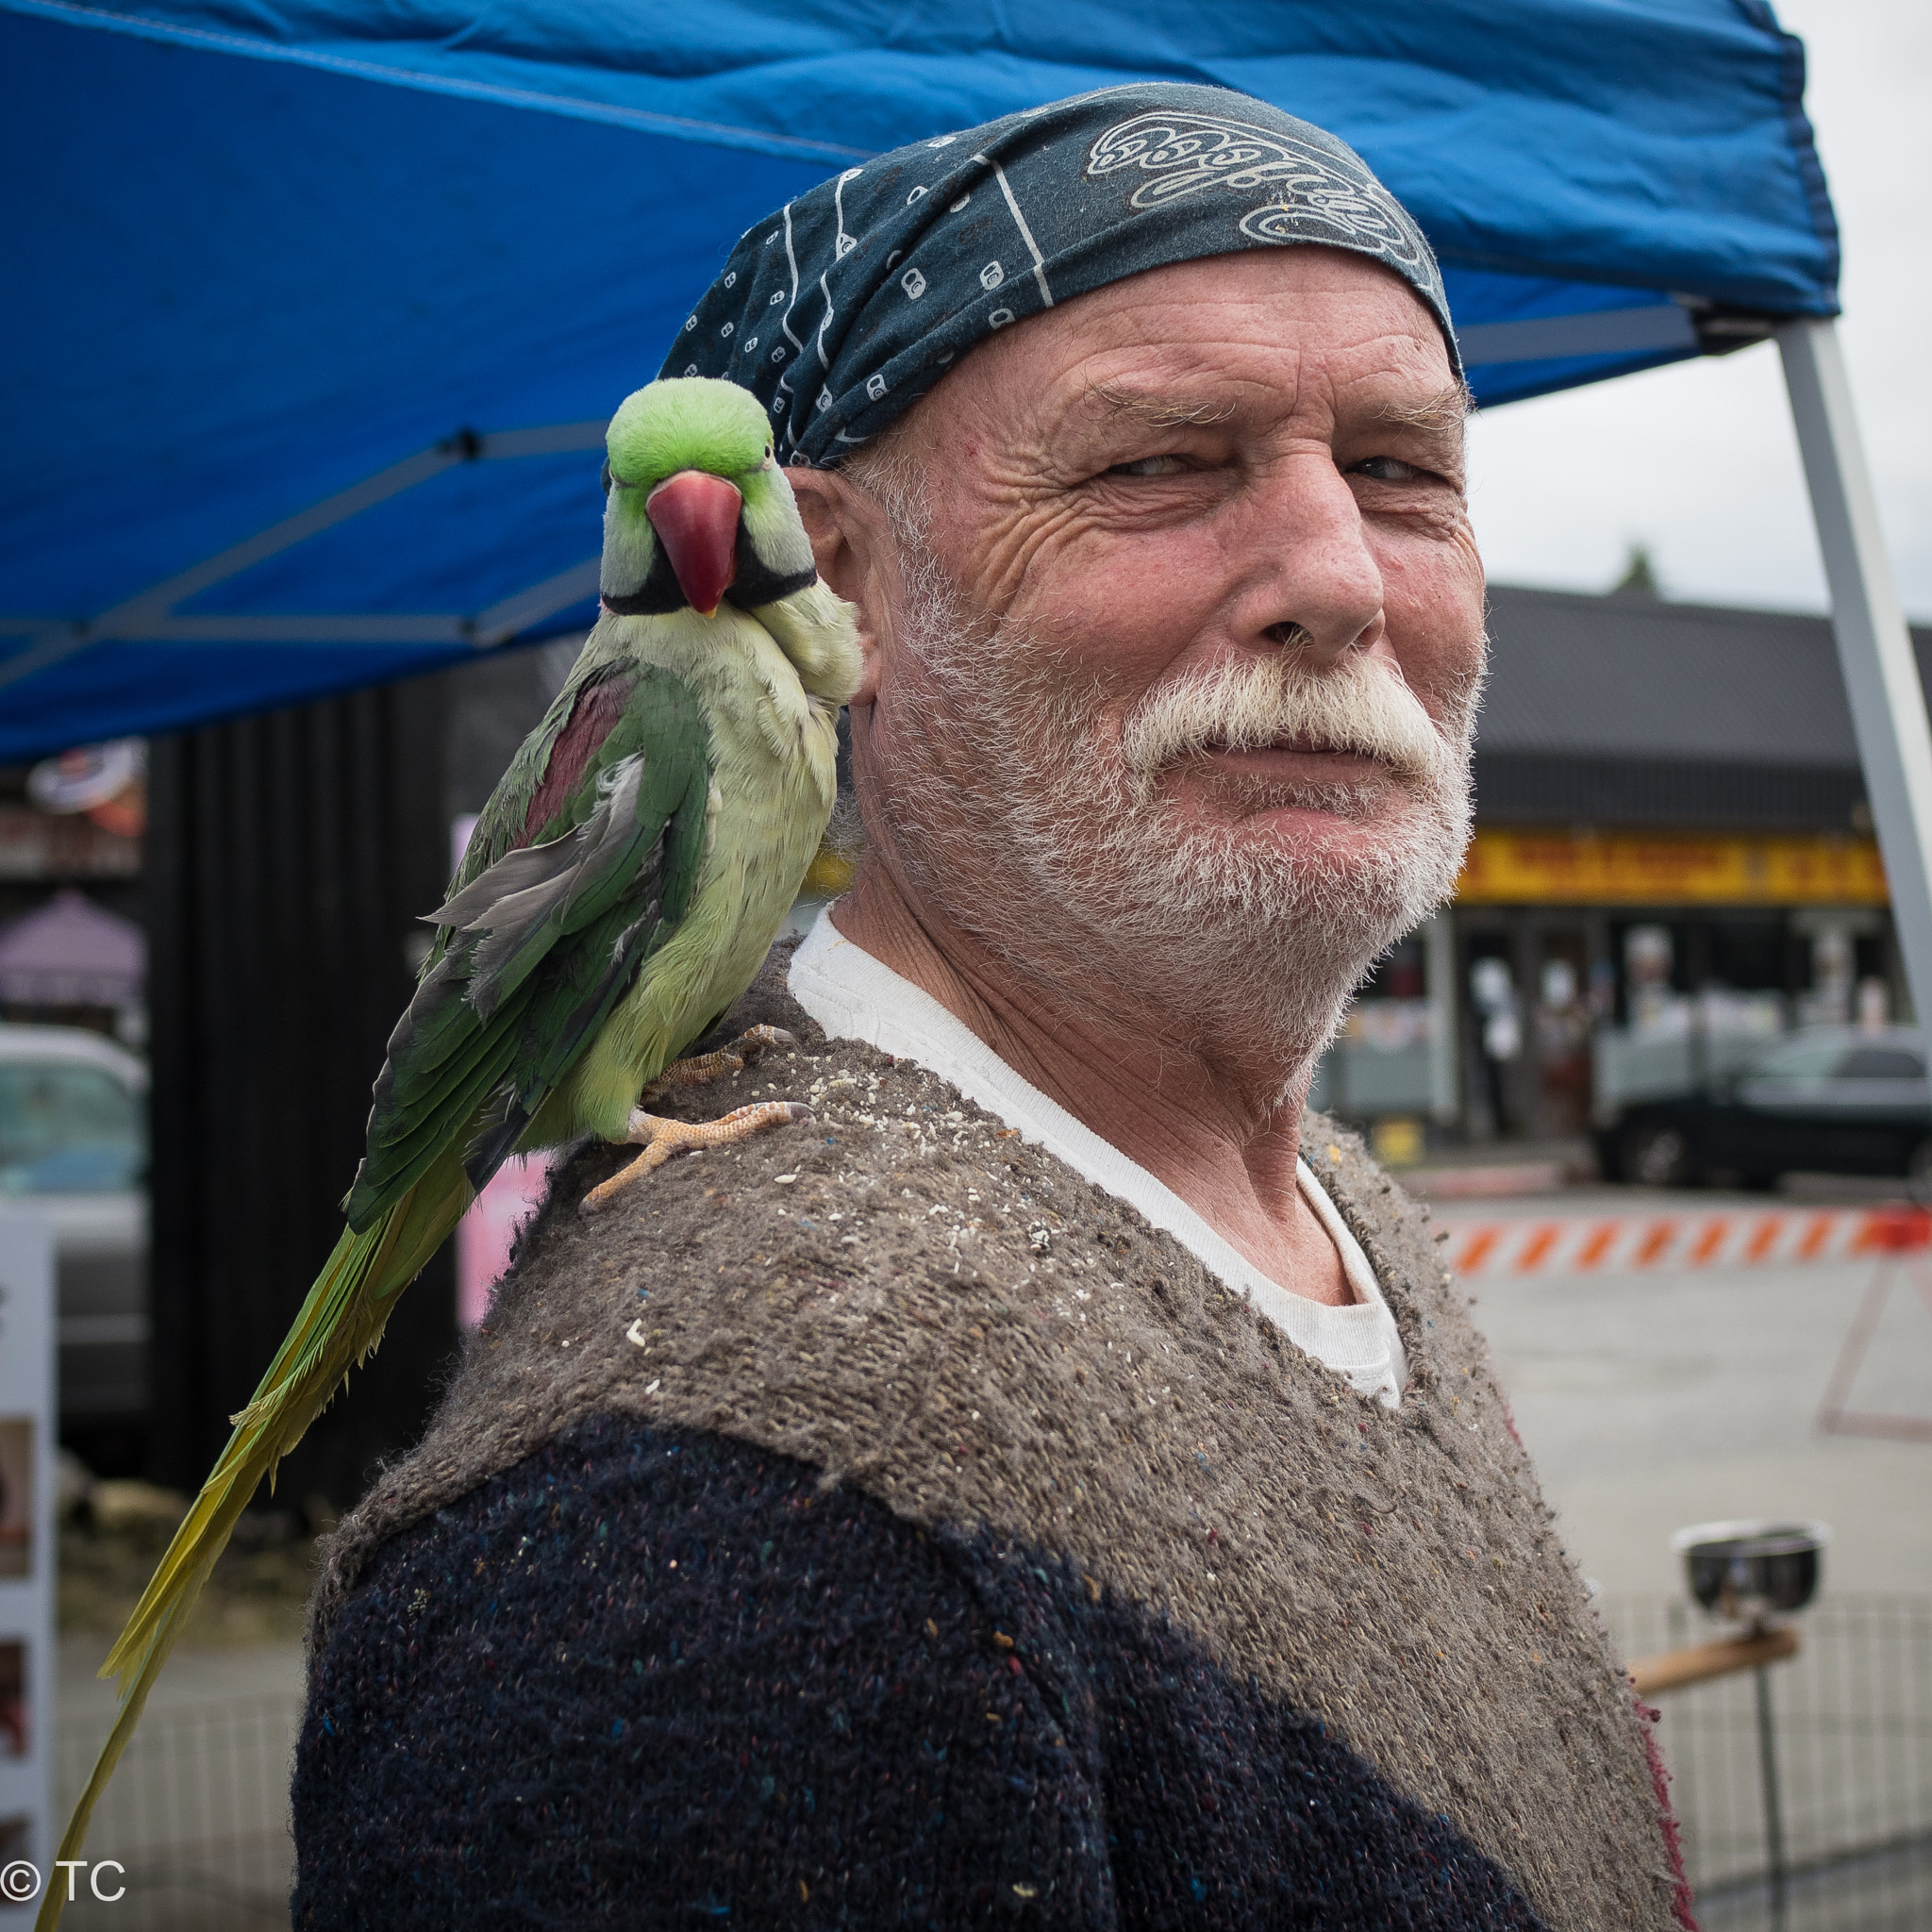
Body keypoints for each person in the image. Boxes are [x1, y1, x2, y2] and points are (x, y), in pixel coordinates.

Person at [292, 84, 1691, 1929]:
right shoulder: (714, 1534)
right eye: (1156, 464)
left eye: (1403, 470)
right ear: (842, 575)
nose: (1339, 581)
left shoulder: (1334, 1210)